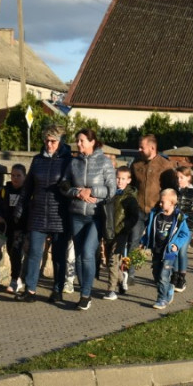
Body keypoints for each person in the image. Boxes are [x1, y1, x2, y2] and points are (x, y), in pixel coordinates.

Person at [15, 126, 72, 303]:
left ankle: (57, 290)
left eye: (53, 141)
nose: (49, 144)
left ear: (60, 142)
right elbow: (28, 187)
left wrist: (67, 188)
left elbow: (73, 186)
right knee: (33, 253)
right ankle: (30, 290)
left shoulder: (68, 161)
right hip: (38, 212)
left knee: (58, 255)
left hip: (59, 214)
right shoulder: (37, 160)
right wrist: (20, 208)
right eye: (46, 141)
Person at [63, 128, 117, 310]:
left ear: (92, 142)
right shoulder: (74, 163)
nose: (78, 144)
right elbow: (64, 186)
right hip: (76, 214)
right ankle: (83, 293)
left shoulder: (104, 162)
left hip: (96, 215)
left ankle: (86, 294)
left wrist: (92, 191)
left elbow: (111, 189)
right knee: (78, 256)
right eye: (77, 141)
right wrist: (77, 192)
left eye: (82, 140)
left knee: (87, 253)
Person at [139, 188, 191, 310]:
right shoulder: (155, 214)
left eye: (163, 202)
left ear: (172, 203)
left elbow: (185, 234)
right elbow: (149, 231)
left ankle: (161, 299)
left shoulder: (178, 218)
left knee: (163, 275)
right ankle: (169, 289)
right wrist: (143, 242)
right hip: (156, 250)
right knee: (156, 275)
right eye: (160, 201)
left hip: (169, 253)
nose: (160, 204)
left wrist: (176, 245)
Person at [102, 166, 142, 300]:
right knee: (110, 261)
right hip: (108, 231)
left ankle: (110, 290)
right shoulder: (110, 193)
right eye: (117, 178)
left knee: (113, 260)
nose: (119, 181)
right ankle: (122, 278)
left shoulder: (129, 198)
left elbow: (134, 216)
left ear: (129, 180)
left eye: (123, 179)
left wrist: (124, 227)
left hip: (121, 233)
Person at [0, 163, 28, 294]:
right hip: (8, 226)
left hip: (23, 227)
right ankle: (18, 279)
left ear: (24, 177)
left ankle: (15, 280)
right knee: (11, 251)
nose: (15, 178)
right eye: (13, 175)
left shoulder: (28, 191)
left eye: (18, 176)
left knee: (16, 251)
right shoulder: (6, 190)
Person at [131, 134, 176, 216]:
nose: (139, 150)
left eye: (142, 147)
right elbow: (131, 186)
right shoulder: (136, 164)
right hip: (138, 210)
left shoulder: (165, 165)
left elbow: (172, 189)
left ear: (152, 148)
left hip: (156, 211)